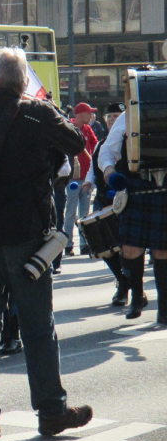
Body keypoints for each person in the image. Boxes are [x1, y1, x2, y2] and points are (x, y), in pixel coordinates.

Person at [0, 47, 92, 441]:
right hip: (26, 238)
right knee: (38, 329)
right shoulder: (37, 114)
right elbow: (77, 141)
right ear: (25, 82)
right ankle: (51, 412)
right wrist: (47, 112)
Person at [99, 102, 167, 323]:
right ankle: (137, 297)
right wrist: (109, 172)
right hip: (136, 187)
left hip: (164, 188)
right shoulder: (128, 116)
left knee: (162, 251)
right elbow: (107, 150)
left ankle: (165, 308)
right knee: (130, 249)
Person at [82, 102, 128, 306]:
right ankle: (122, 279)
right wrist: (88, 181)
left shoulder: (129, 145)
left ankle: (129, 285)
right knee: (104, 246)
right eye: (109, 116)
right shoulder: (101, 145)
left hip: (123, 201)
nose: (112, 119)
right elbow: (94, 167)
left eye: (117, 115)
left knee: (126, 247)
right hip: (102, 199)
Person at [63, 102, 98, 256]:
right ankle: (68, 244)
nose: (91, 115)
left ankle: (85, 244)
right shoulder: (68, 128)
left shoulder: (87, 129)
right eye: (88, 112)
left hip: (87, 177)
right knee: (70, 211)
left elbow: (96, 147)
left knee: (85, 213)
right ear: (79, 114)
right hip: (73, 178)